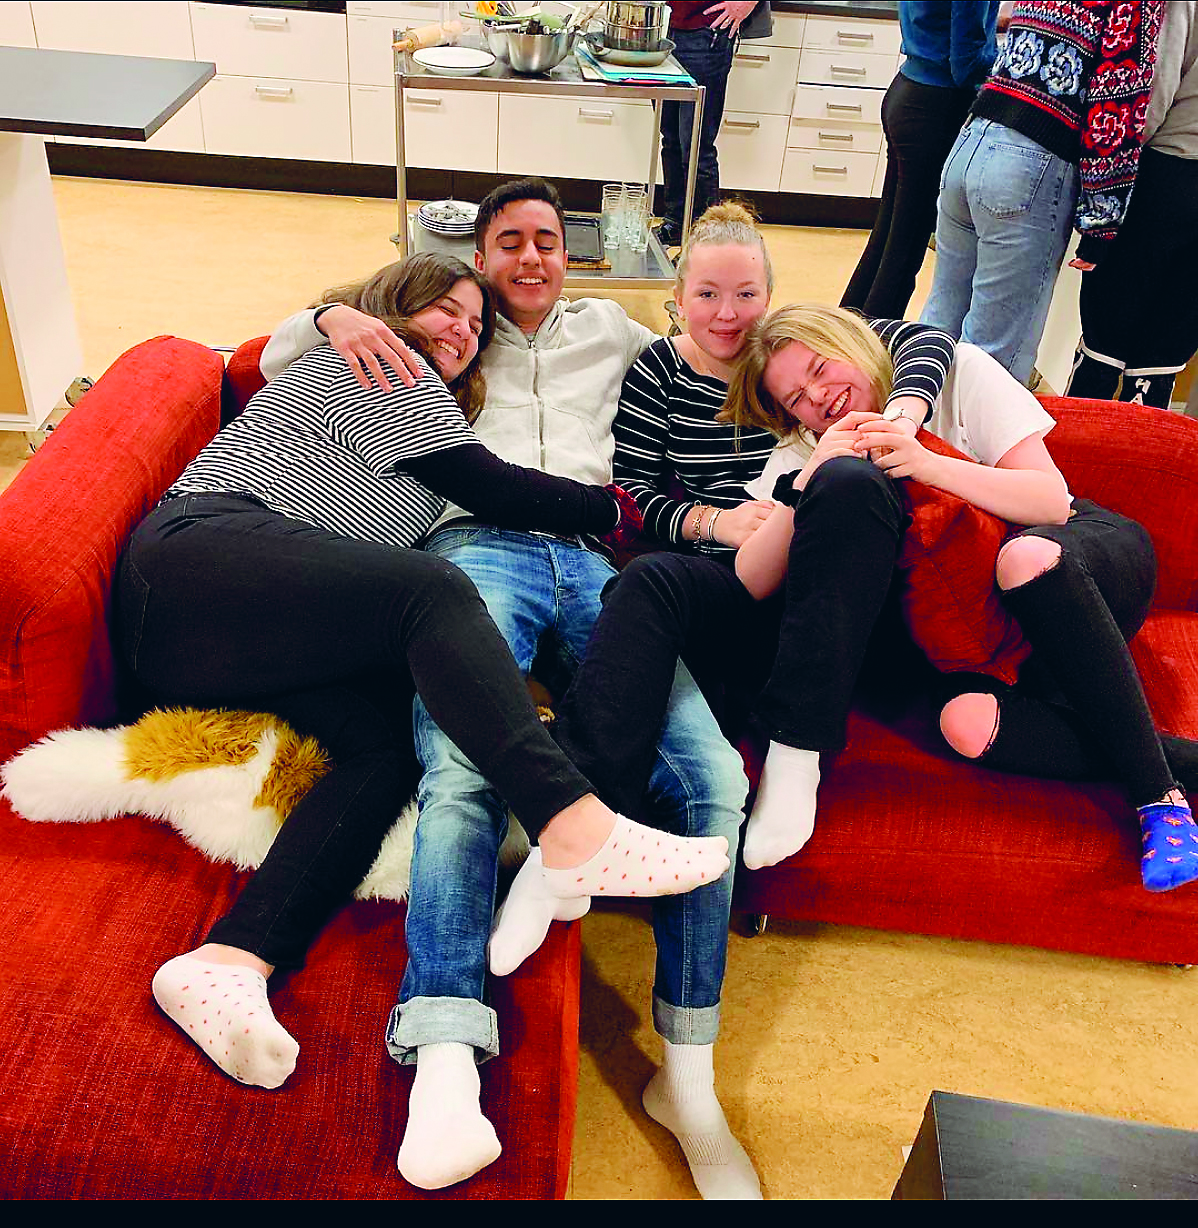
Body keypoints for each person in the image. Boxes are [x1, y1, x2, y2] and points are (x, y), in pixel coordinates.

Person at [116, 250, 729, 1147]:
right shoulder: (380, 361)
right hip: (196, 563)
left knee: (385, 751)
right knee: (432, 589)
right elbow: (495, 486)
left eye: (475, 325)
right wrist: (624, 512)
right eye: (446, 308)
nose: (461, 331)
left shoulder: (418, 407)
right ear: (397, 307)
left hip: (234, 639)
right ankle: (573, 827)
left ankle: (230, 959)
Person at [261, 178, 751, 1197]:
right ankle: (444, 1050)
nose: (531, 257)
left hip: (601, 563)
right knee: (463, 769)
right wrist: (330, 312)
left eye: (548, 241)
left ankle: (688, 1078)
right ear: (478, 258)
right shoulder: (445, 334)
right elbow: (271, 358)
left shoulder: (615, 332)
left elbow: (731, 334)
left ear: (570, 256)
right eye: (510, 242)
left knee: (710, 774)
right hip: (471, 549)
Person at [510, 209, 954, 898]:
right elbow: (632, 492)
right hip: (728, 567)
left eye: (746, 294)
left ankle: (793, 754)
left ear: (769, 296)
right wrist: (715, 522)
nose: (727, 314)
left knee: (843, 484)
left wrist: (902, 417)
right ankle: (575, 835)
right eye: (708, 294)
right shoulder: (659, 368)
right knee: (650, 590)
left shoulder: (796, 355)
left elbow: (925, 339)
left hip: (832, 561)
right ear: (678, 298)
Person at [719, 302, 1198, 892]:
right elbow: (750, 577)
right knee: (965, 725)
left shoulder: (955, 375)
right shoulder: (808, 447)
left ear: (852, 344)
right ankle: (1183, 762)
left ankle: (1159, 796)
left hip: (1066, 567)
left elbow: (1051, 502)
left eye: (821, 368)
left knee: (1023, 560)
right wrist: (810, 476)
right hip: (972, 637)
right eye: (796, 398)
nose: (818, 396)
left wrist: (924, 462)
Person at [920, 0, 1166, 386]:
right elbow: (1117, 101)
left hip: (973, 140)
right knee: (993, 362)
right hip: (1030, 164)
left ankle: (904, 419)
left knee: (937, 328)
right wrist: (1101, 220)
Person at [1065, 0, 1198, 409]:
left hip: (1164, 175)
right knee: (1165, 353)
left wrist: (1109, 173)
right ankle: (1143, 441)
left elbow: (1153, 90)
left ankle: (1079, 437)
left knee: (1106, 339)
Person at [840, 0, 999, 319]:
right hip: (935, 108)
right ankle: (873, 344)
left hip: (908, 91)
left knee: (888, 239)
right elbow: (966, 63)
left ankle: (842, 331)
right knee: (903, 254)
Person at [654, 1, 772, 248]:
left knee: (696, 147)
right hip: (663, 28)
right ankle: (676, 224)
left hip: (706, 32)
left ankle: (709, 242)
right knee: (671, 140)